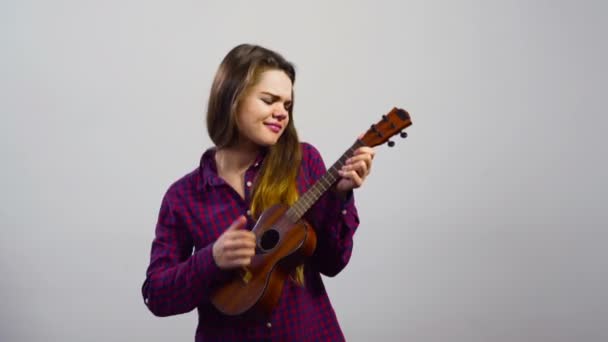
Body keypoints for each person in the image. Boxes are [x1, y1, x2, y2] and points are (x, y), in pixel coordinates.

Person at [141, 43, 375, 341]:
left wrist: (340, 197)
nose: (281, 113)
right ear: (231, 98)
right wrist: (211, 259)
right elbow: (157, 296)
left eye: (287, 105)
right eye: (269, 100)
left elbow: (333, 262)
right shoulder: (184, 196)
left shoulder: (304, 163)